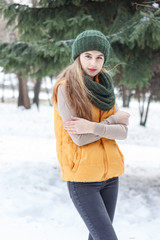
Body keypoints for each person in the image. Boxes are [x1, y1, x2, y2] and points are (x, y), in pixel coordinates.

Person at [52, 30, 130, 240]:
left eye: (99, 57)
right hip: (83, 180)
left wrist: (93, 127)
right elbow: (80, 137)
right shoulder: (65, 89)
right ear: (78, 56)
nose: (93, 62)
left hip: (111, 177)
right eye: (88, 55)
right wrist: (112, 121)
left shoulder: (105, 88)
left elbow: (123, 132)